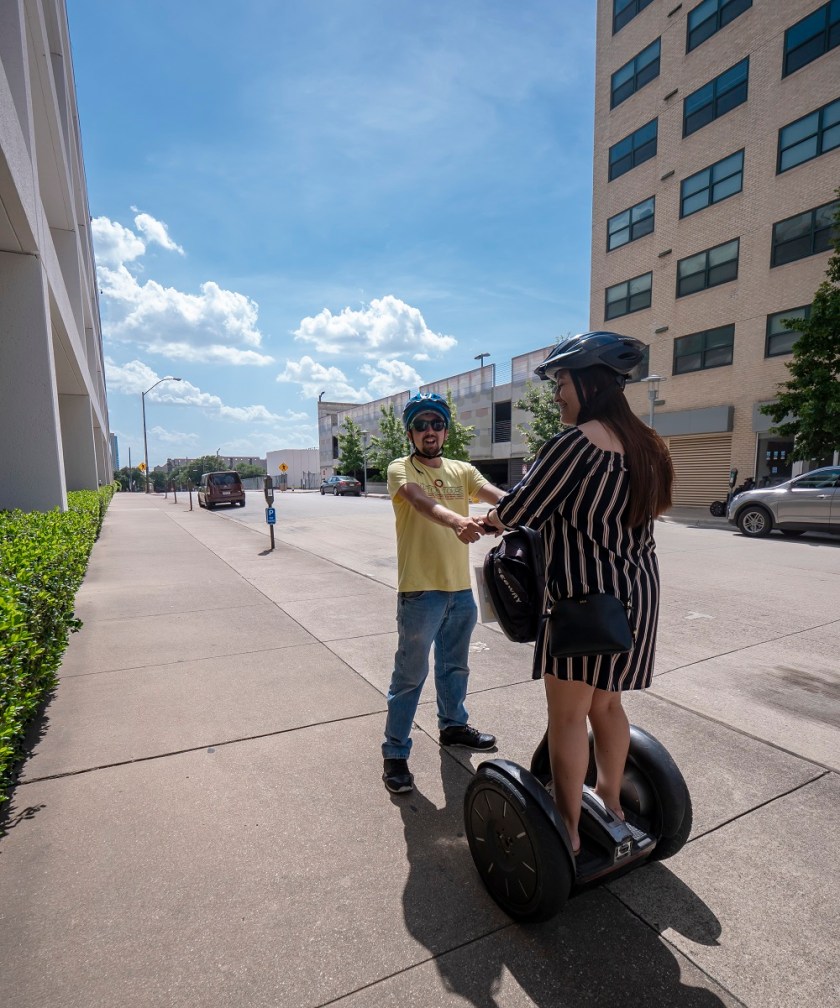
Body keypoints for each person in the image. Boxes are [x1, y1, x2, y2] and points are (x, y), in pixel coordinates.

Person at [484, 332, 674, 855]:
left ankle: (566, 830)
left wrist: (487, 521)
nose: (557, 395)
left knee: (567, 715)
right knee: (606, 706)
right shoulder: (648, 445)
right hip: (637, 595)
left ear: (589, 382)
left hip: (586, 600)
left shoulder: (576, 444)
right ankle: (610, 799)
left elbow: (522, 509)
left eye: (562, 383)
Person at [382, 392, 507, 794]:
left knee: (455, 668)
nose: (429, 431)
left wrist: (519, 510)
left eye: (436, 423)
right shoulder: (401, 469)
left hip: (460, 591)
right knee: (409, 676)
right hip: (421, 592)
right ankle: (396, 753)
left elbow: (498, 498)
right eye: (421, 425)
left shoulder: (462, 470)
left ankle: (453, 726)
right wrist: (458, 521)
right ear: (410, 433)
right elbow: (421, 503)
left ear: (446, 429)